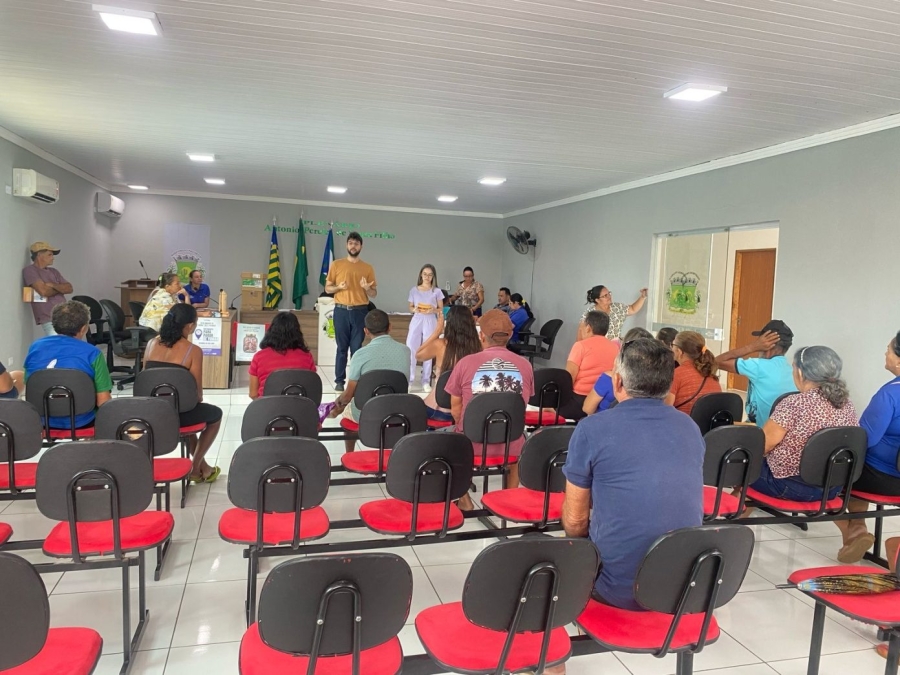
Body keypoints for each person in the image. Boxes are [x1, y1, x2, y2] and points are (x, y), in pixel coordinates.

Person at [562, 337, 704, 611]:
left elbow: (576, 522)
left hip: (615, 590)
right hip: (684, 586)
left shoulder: (591, 429)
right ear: (667, 386)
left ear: (617, 382)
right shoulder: (689, 426)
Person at [750, 346, 858, 513]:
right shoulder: (846, 404)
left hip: (789, 486)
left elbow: (762, 445)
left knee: (740, 465)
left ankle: (730, 519)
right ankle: (854, 527)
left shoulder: (794, 403)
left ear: (800, 373)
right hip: (833, 486)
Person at [445, 309, 535, 510]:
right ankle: (508, 497)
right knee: (520, 441)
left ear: (481, 336)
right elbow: (522, 403)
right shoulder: (525, 366)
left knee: (449, 440)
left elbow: (455, 408)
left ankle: (464, 498)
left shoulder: (465, 363)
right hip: (511, 444)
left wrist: (467, 429)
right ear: (509, 335)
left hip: (472, 445)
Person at [835, 332, 900, 564]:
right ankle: (856, 529)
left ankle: (855, 527)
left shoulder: (890, 394)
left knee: (831, 468)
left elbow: (864, 440)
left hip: (885, 477)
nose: (885, 353)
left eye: (888, 350)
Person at [144, 304, 223, 483]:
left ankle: (205, 468)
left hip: (151, 413)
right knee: (215, 415)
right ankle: (195, 467)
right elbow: (197, 396)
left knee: (186, 413)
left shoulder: (150, 344)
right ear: (189, 326)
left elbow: (144, 380)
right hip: (179, 414)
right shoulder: (192, 350)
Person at [23, 301, 112, 428]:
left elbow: (29, 383)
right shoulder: (93, 353)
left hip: (42, 421)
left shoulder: (35, 347)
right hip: (82, 422)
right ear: (84, 328)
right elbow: (103, 401)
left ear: (54, 325)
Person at [331, 310, 409, 453]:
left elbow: (348, 395)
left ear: (366, 331)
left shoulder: (360, 355)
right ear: (390, 327)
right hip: (396, 411)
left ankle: (350, 453)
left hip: (366, 413)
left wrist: (337, 404)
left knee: (347, 408)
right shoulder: (405, 351)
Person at [324, 232, 377, 392]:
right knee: (341, 348)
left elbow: (374, 293)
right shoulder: (336, 265)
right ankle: (339, 381)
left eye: (356, 244)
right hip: (341, 311)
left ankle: (355, 381)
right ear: (347, 245)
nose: (353, 246)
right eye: (351, 243)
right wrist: (338, 287)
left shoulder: (367, 268)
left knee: (356, 348)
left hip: (360, 312)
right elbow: (327, 288)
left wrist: (367, 288)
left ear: (361, 246)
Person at [718, 319, 795, 426]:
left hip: (760, 431)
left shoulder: (758, 366)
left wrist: (752, 347)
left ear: (768, 344)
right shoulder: (793, 371)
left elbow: (716, 362)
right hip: (779, 430)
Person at [415, 306, 482, 422]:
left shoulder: (441, 344)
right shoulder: (479, 347)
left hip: (438, 409)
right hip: (468, 410)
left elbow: (418, 355)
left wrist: (437, 331)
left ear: (449, 323)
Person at [563, 311, 619, 420]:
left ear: (588, 328)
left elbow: (569, 377)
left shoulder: (580, 346)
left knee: (547, 407)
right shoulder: (615, 348)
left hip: (579, 400)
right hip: (604, 401)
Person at [248, 312, 316, 399]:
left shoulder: (259, 357)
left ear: (271, 331)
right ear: (297, 332)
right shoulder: (307, 356)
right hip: (299, 405)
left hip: (268, 406)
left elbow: (253, 394)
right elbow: (311, 388)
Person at [405, 264, 444, 391]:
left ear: (433, 276)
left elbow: (441, 309)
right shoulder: (414, 290)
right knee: (411, 347)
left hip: (430, 319)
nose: (427, 277)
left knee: (428, 348)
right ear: (421, 275)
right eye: (425, 274)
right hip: (417, 318)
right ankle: (409, 380)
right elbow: (410, 307)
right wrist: (414, 309)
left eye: (430, 274)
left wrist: (433, 310)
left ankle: (426, 380)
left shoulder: (436, 291)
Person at [22, 241, 72, 336]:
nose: (53, 258)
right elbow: (44, 291)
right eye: (50, 255)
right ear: (39, 255)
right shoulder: (30, 270)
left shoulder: (54, 271)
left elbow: (69, 288)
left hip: (65, 316)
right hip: (49, 318)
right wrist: (60, 289)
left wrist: (53, 285)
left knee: (68, 342)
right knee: (57, 343)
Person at [666, 331, 722, 415]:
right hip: (707, 423)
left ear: (680, 352)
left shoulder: (676, 374)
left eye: (672, 345)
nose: (671, 348)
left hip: (683, 422)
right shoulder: (711, 375)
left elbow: (666, 410)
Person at [583, 285, 647, 341]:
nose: (609, 296)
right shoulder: (589, 313)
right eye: (605, 295)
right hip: (597, 347)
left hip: (615, 347)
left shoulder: (617, 308)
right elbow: (582, 335)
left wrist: (642, 297)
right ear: (597, 300)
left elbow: (633, 309)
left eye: (609, 293)